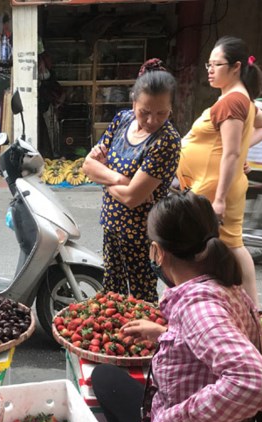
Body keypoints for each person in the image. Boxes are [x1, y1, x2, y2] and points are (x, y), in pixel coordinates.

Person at [8, 191, 262, 422]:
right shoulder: (222, 287)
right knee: (105, 377)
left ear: (158, 252)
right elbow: (213, 339)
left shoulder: (199, 308)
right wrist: (166, 333)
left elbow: (258, 382)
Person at [177, 36, 262, 305]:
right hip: (217, 182)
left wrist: (218, 199)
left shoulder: (232, 102)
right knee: (230, 244)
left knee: (220, 246)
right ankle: (244, 305)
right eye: (208, 64)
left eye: (216, 64)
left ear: (235, 67)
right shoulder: (242, 99)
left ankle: (242, 304)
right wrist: (243, 151)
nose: (209, 69)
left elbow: (231, 152)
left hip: (214, 186)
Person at [82, 59, 180, 303]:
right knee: (111, 294)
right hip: (111, 225)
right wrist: (122, 179)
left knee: (140, 300)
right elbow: (86, 165)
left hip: (142, 236)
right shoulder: (121, 120)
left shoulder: (166, 141)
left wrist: (102, 174)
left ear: (171, 108)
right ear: (134, 102)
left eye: (162, 113)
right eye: (144, 112)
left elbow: (132, 198)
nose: (152, 120)